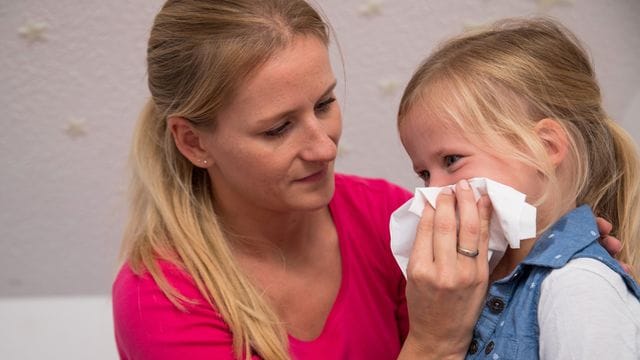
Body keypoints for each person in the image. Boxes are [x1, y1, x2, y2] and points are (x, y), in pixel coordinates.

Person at [111, 1, 622, 359]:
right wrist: (433, 343)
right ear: (194, 142)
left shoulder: (385, 218)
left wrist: (536, 273)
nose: (325, 146)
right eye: (278, 128)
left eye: (324, 104)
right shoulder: (159, 300)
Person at [397, 17, 640, 359]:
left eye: (451, 160)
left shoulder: (578, 288)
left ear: (545, 147)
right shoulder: (475, 291)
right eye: (423, 173)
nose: (434, 192)